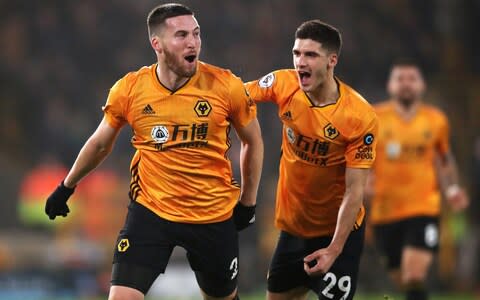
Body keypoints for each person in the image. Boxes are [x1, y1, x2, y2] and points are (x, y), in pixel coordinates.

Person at [44, 3, 263, 300]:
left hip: (210, 213)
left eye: (196, 34)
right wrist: (66, 186)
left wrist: (248, 203)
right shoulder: (131, 89)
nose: (193, 43)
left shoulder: (226, 86)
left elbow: (253, 141)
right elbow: (100, 143)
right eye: (182, 35)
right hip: (152, 211)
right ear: (156, 44)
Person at [245, 20, 378, 300]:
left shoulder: (358, 117)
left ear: (332, 61)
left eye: (310, 55)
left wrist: (334, 249)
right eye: (296, 53)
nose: (300, 62)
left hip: (337, 234)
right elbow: (236, 94)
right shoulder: (284, 84)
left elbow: (355, 191)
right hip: (294, 230)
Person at [368, 59, 469, 300]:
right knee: (403, 280)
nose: (406, 84)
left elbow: (444, 160)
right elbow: (360, 158)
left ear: (421, 85)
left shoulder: (436, 120)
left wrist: (452, 188)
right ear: (390, 85)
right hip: (384, 212)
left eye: (411, 79)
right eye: (400, 79)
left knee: (414, 274)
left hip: (423, 208)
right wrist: (364, 180)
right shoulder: (374, 117)